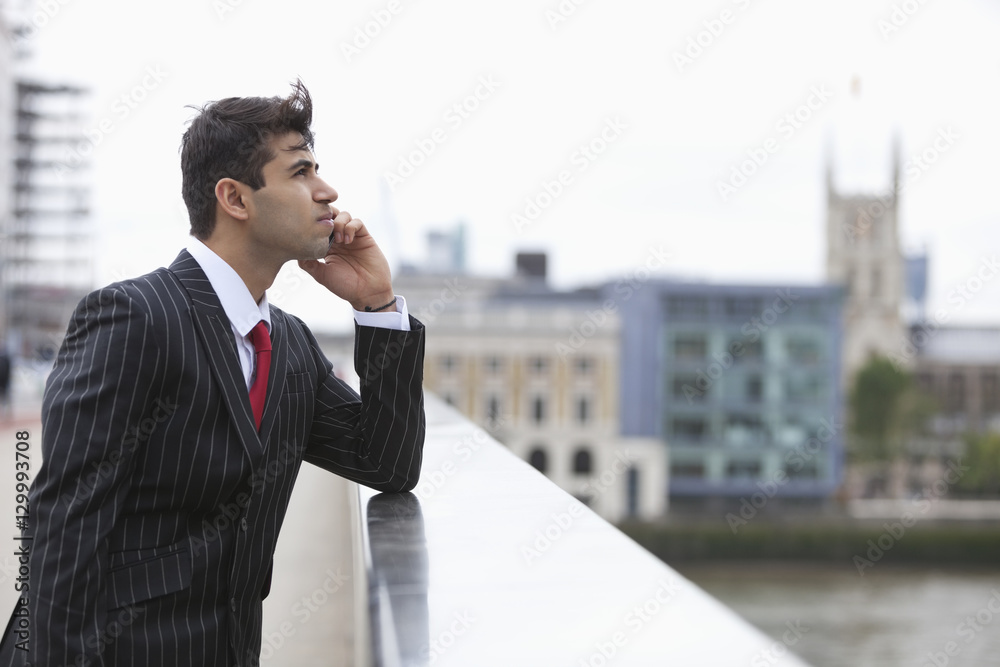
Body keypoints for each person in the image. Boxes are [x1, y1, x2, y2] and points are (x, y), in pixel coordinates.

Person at [0, 80, 425, 666]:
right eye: (300, 172)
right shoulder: (133, 317)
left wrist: (377, 308)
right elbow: (62, 533)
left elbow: (387, 463)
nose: (327, 191)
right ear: (235, 198)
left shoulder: (292, 345)